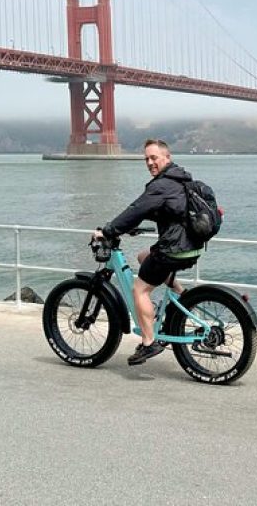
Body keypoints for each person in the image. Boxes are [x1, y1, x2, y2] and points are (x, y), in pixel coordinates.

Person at [92, 139, 202, 366]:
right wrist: (135, 224)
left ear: (167, 157)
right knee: (144, 257)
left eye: (154, 158)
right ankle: (183, 300)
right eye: (147, 159)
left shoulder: (160, 185)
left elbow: (136, 208)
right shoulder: (180, 179)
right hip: (191, 245)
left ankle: (148, 342)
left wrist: (108, 230)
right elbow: (168, 210)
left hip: (174, 249)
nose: (150, 163)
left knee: (140, 289)